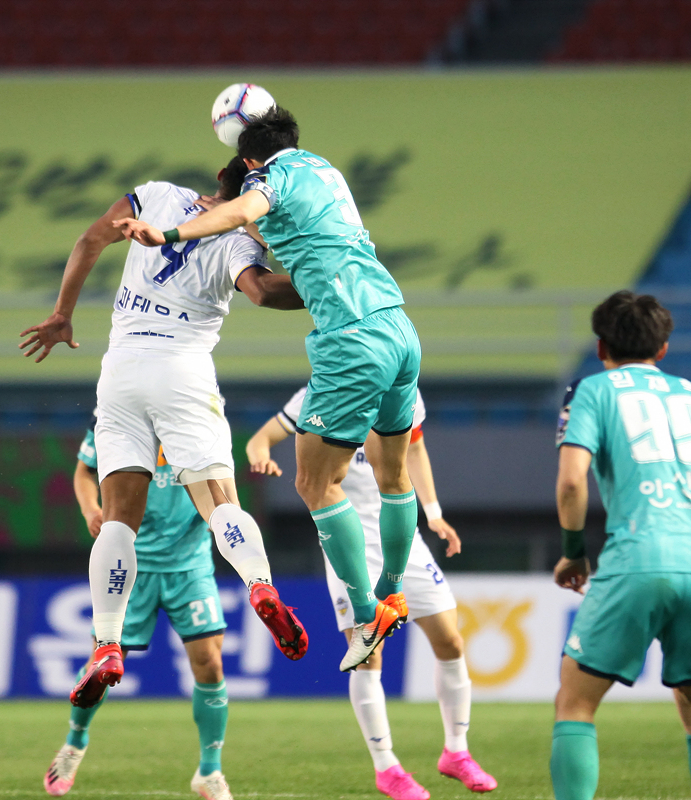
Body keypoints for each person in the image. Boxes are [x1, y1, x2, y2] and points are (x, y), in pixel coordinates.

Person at [114, 108, 422, 672]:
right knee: (394, 475)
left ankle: (365, 614)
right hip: (398, 324)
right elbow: (269, 230)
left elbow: (245, 211)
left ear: (251, 159)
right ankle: (394, 593)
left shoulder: (268, 179)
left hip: (350, 339)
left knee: (315, 483)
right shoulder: (323, 171)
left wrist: (170, 232)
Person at [19, 158, 308, 709]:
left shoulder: (155, 195)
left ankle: (107, 642)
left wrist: (62, 314)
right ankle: (260, 585)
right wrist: (328, 282)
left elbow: (89, 240)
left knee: (117, 521)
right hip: (182, 372)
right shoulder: (239, 241)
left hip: (121, 370)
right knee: (220, 503)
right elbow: (263, 292)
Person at [550, 291, 691, 800]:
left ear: (600, 347)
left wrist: (573, 550)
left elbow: (571, 481)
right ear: (663, 349)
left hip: (636, 557)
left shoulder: (591, 390)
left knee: (575, 702)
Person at [248, 388, 497, 800]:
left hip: (402, 538)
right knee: (368, 655)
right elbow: (261, 438)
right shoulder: (321, 390)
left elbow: (415, 449)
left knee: (451, 641)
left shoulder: (403, 387)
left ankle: (457, 752)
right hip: (348, 544)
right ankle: (387, 768)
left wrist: (434, 513)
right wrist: (260, 455)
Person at [46, 425, 233, 800]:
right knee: (102, 666)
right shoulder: (118, 416)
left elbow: (221, 478)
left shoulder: (196, 416)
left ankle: (210, 770)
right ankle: (74, 743)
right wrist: (90, 509)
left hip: (190, 564)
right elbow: (84, 471)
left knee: (210, 663)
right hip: (129, 563)